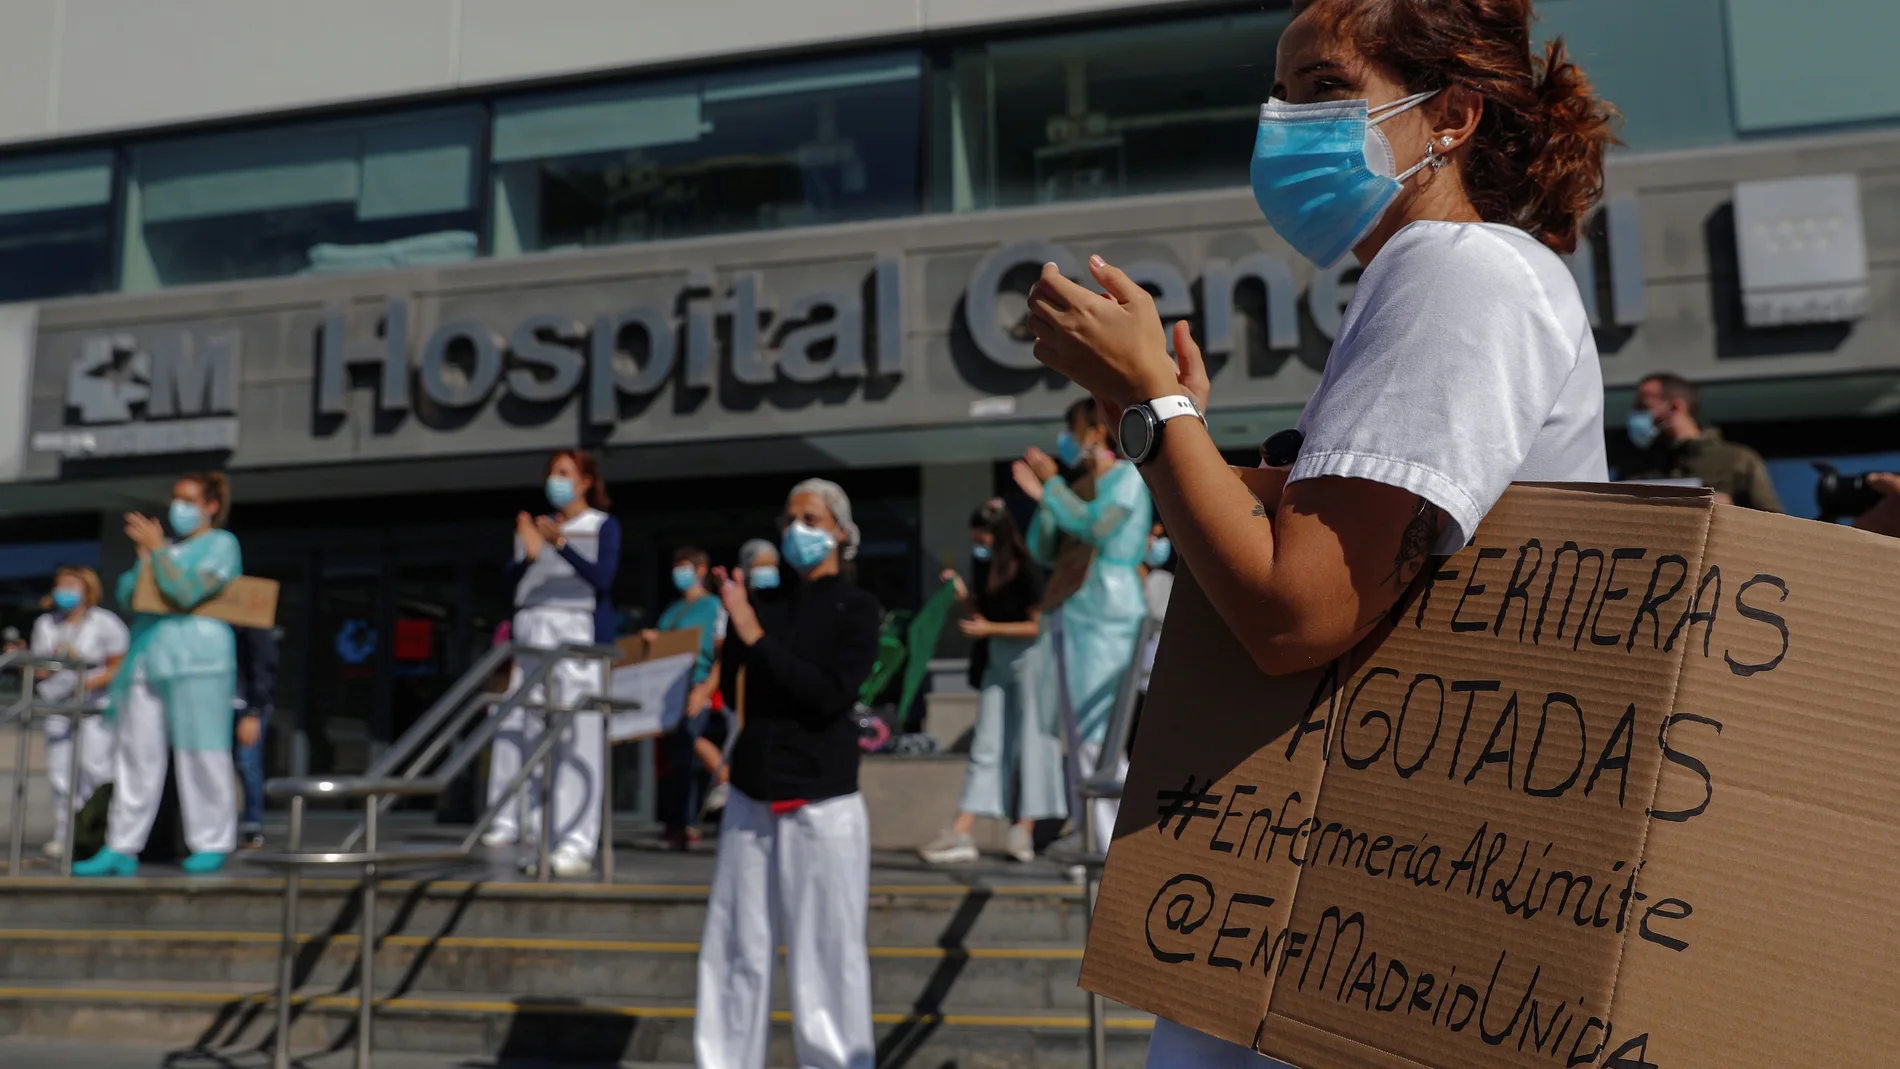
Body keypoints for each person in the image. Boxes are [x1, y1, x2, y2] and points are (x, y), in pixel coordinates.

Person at [1023, 1, 1616, 1063]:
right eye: (1283, 93)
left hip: (1388, 915)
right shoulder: (1423, 276)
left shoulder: (1455, 272)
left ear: (1451, 117)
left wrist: (1151, 405)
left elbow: (1296, 612)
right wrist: (1175, 425)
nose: (1285, 122)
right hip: (1368, 895)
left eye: (1327, 90)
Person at [695, 478, 881, 1069]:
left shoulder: (857, 608)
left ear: (840, 533)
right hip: (753, 792)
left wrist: (753, 633)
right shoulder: (767, 604)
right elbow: (733, 693)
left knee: (826, 953)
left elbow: (829, 694)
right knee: (734, 947)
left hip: (821, 802)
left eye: (812, 517)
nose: (797, 528)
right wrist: (735, 628)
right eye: (791, 517)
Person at [78, 473, 245, 877]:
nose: (178, 508)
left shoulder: (222, 545)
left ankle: (211, 840)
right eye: (175, 498)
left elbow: (186, 592)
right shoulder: (163, 549)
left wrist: (157, 553)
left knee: (201, 753)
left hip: (201, 662)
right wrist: (147, 555)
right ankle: (121, 845)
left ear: (211, 506)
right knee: (136, 755)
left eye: (188, 499)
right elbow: (130, 594)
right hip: (149, 658)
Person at [1017, 398, 1152, 859]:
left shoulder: (1129, 480)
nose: (1068, 442)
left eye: (1073, 431)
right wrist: (1046, 497)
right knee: (1077, 735)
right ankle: (1087, 826)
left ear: (1096, 432)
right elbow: (1042, 546)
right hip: (1072, 614)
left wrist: (1052, 485)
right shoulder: (1079, 485)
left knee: (1100, 734)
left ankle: (1111, 837)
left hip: (1108, 617)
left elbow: (1096, 528)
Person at [485, 449, 620, 879]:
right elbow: (508, 586)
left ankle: (576, 842)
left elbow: (603, 579)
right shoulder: (534, 528)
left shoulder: (600, 526)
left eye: (564, 473)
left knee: (576, 741)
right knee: (533, 740)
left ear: (584, 481)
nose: (555, 481)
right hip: (532, 634)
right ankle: (538, 837)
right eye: (550, 473)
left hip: (574, 636)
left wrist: (560, 543)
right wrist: (527, 552)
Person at [918, 499, 1056, 866]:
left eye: (980, 537)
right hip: (997, 659)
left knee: (1032, 742)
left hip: (1030, 660)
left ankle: (1023, 829)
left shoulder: (1027, 570)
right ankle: (962, 829)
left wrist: (988, 628)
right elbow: (983, 612)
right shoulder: (985, 565)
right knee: (987, 741)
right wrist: (963, 595)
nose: (976, 544)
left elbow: (1035, 626)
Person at [30, 566, 128, 859]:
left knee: (94, 770)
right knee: (61, 774)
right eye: (61, 586)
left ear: (87, 589)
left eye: (72, 585)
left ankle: (97, 833)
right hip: (58, 706)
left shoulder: (105, 622)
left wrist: (86, 681)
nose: (65, 592)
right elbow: (41, 669)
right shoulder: (47, 624)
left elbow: (118, 665)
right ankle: (66, 832)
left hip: (94, 708)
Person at [651, 546, 727, 849]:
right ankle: (676, 823)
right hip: (666, 692)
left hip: (695, 687)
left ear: (701, 570)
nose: (678, 574)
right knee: (673, 760)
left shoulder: (712, 607)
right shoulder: (672, 610)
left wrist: (704, 690)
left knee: (687, 749)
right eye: (676, 567)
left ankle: (720, 785)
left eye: (685, 567)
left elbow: (722, 655)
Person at [1620, 373, 1782, 511]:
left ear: (1675, 407)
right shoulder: (1635, 466)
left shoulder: (1737, 460)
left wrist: (1730, 512)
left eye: (1643, 406)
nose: (1635, 414)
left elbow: (1775, 525)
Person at [232, 626, 278, 850]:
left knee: (247, 762)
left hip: (247, 702)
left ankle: (252, 828)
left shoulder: (250, 624)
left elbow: (264, 663)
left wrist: (255, 710)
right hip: (220, 698)